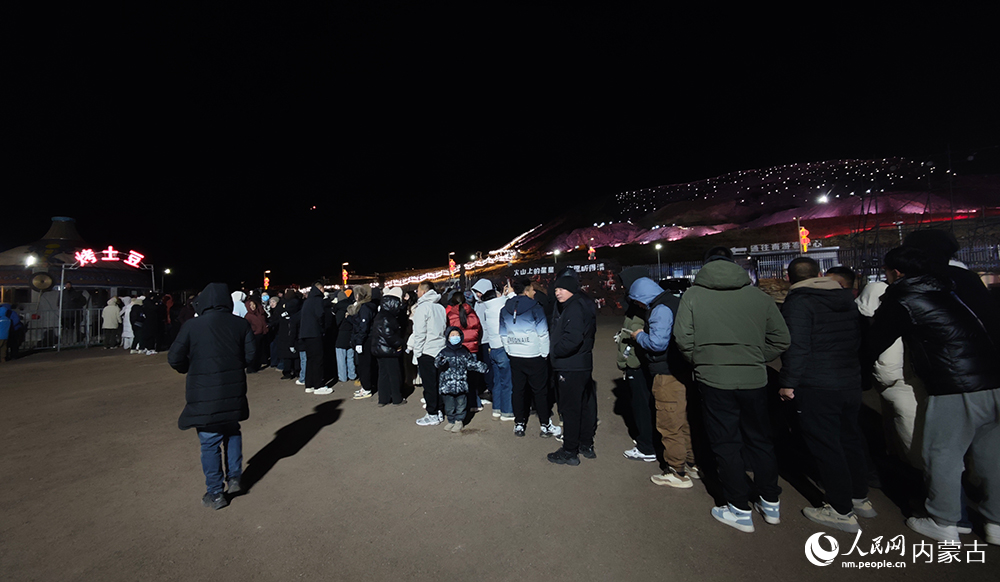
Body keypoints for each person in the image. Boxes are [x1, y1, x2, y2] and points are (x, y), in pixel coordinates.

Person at [866, 246, 1000, 545]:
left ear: (895, 272)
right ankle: (996, 522)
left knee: (942, 454)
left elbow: (876, 341)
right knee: (992, 456)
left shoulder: (904, 297)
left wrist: (859, 371)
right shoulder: (949, 291)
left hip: (955, 385)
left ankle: (945, 521)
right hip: (993, 380)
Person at [673, 246, 790, 533]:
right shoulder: (758, 297)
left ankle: (738, 508)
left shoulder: (693, 295)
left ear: (706, 265)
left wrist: (704, 359)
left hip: (713, 379)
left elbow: (682, 338)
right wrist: (755, 356)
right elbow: (781, 339)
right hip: (754, 379)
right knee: (760, 440)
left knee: (726, 443)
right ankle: (770, 502)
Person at [778, 257, 874, 534]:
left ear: (789, 278)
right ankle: (860, 497)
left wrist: (788, 383)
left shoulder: (799, 302)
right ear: (819, 274)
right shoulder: (845, 299)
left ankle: (841, 510)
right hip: (848, 380)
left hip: (817, 383)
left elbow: (797, 347)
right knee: (850, 439)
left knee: (826, 445)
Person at [167, 282, 255, 510]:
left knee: (210, 440)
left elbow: (174, 357)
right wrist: (235, 365)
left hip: (203, 389)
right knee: (232, 430)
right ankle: (234, 477)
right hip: (233, 388)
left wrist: (189, 367)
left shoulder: (192, 325)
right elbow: (251, 355)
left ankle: (216, 492)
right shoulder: (240, 324)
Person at [627, 275, 699, 485]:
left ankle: (677, 472)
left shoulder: (660, 309)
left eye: (638, 300)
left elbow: (658, 344)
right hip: (682, 370)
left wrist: (639, 336)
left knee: (669, 424)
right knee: (684, 420)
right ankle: (691, 463)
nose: (639, 305)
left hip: (667, 373)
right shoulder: (675, 302)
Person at [856, 281, 923, 466]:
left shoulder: (864, 321)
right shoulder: (899, 316)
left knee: (899, 429)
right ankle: (912, 469)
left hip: (890, 382)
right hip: (902, 381)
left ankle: (903, 465)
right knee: (909, 432)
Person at [546, 275, 597, 466]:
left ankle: (569, 450)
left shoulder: (574, 308)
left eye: (561, 289)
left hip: (570, 366)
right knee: (583, 406)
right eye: (556, 289)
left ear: (571, 289)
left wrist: (555, 351)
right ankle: (585, 443)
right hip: (580, 364)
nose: (557, 293)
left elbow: (573, 339)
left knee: (570, 409)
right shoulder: (578, 305)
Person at [500, 278, 560, 438]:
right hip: (534, 355)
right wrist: (544, 354)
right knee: (540, 391)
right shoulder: (535, 307)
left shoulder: (505, 309)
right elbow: (543, 333)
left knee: (518, 390)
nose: (534, 292)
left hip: (515, 355)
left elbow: (503, 333)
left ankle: (519, 424)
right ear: (526, 291)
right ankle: (545, 425)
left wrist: (510, 350)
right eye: (532, 289)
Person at [435, 326, 490, 432]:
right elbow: (437, 363)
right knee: (449, 406)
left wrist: (482, 367)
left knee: (461, 404)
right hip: (447, 386)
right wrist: (441, 362)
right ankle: (451, 420)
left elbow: (471, 363)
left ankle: (459, 421)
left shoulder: (464, 352)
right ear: (448, 337)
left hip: (461, 385)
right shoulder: (444, 352)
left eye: (457, 335)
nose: (455, 337)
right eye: (452, 335)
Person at [411, 282, 449, 426]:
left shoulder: (423, 308)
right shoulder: (440, 307)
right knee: (438, 383)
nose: (417, 293)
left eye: (418, 290)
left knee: (429, 385)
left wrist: (417, 352)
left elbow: (420, 333)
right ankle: (438, 411)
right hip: (440, 348)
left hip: (427, 350)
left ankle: (432, 414)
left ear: (423, 291)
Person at [481, 282, 516, 421]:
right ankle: (507, 412)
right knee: (507, 382)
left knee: (497, 382)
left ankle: (497, 409)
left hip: (493, 349)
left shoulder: (488, 310)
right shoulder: (501, 306)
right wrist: (511, 293)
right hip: (503, 349)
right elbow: (514, 303)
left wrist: (505, 295)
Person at [446, 291, 483, 410]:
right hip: (472, 349)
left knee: (460, 379)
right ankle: (475, 403)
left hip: (459, 350)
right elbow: (479, 329)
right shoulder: (472, 313)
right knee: (473, 379)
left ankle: (462, 407)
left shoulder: (451, 315)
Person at [372, 287, 407, 406]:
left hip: (379, 349)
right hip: (389, 350)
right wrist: (399, 343)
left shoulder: (380, 315)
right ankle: (397, 398)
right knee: (394, 375)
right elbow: (388, 334)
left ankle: (383, 398)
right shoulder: (388, 317)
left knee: (383, 375)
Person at [300, 282, 332, 395]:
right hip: (315, 333)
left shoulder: (307, 301)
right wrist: (322, 328)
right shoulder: (318, 300)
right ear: (320, 288)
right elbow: (320, 315)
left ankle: (309, 384)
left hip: (305, 334)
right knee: (318, 360)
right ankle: (319, 385)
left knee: (310, 360)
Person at [350, 285, 379, 399]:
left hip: (365, 340)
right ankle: (366, 386)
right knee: (365, 364)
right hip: (366, 338)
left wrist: (359, 341)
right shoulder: (367, 306)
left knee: (364, 365)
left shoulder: (364, 308)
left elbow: (364, 326)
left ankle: (366, 388)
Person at [333, 289, 357, 384]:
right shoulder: (352, 309)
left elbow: (336, 324)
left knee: (341, 358)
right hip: (351, 334)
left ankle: (342, 377)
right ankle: (352, 374)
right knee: (350, 357)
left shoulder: (339, 311)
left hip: (341, 336)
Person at [244, 297, 269, 373]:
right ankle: (251, 367)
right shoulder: (248, 316)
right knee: (254, 352)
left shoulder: (260, 313)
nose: (252, 306)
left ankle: (258, 365)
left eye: (253, 304)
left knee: (260, 351)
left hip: (262, 334)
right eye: (250, 305)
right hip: (254, 335)